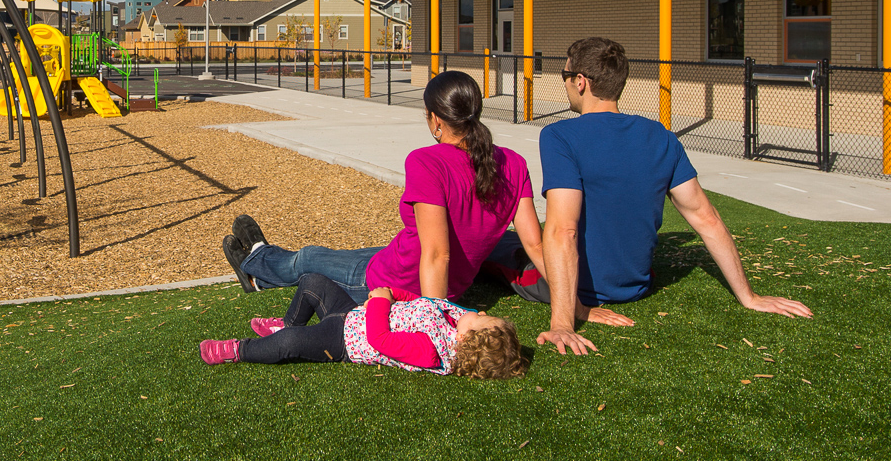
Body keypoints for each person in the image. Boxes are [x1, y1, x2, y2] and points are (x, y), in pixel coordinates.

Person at [503, 37, 813, 356]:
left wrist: (564, 323)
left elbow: (562, 231)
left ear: (581, 82)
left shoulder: (559, 136)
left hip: (582, 291)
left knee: (500, 246)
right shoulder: (662, 137)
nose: (565, 85)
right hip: (636, 286)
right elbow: (706, 218)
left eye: (565, 78)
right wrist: (750, 297)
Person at [222, 70, 536, 304]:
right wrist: (572, 308)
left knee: (308, 258)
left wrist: (433, 320)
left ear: (437, 121)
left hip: (396, 282)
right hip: (418, 266)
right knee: (340, 255)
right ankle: (263, 266)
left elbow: (438, 254)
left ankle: (256, 263)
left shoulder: (428, 162)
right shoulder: (514, 163)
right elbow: (536, 245)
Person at [198, 271, 529, 379]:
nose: (481, 312)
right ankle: (284, 322)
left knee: (293, 343)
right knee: (312, 282)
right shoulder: (452, 316)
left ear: (468, 338)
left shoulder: (430, 351)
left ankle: (238, 350)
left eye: (484, 319)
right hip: (352, 312)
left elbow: (380, 339)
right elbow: (416, 302)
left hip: (343, 341)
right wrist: (386, 294)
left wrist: (381, 301)